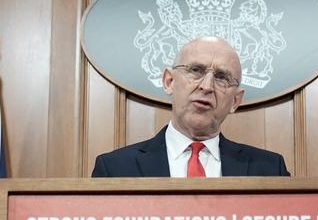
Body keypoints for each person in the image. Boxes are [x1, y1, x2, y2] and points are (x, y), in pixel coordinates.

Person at [91, 37, 290, 177]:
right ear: (169, 81)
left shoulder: (271, 170)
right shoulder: (115, 169)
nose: (207, 86)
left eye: (221, 77)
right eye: (196, 70)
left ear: (235, 101)